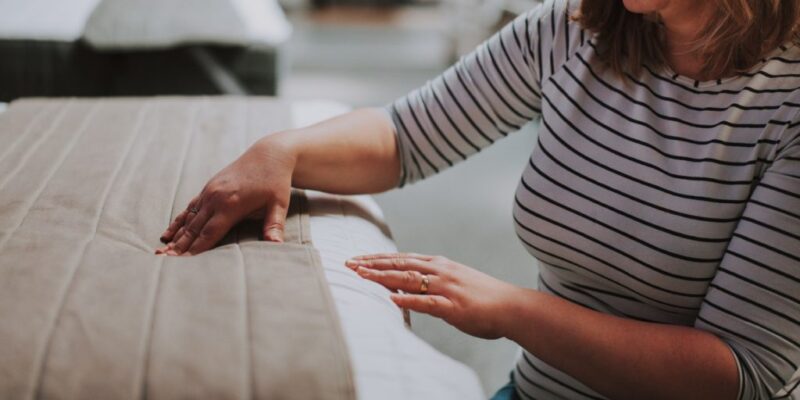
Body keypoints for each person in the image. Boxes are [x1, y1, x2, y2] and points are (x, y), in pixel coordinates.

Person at [156, 0, 800, 398]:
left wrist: (510, 311)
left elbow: (737, 375)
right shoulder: (574, 30)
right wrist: (284, 152)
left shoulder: (787, 107)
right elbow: (406, 136)